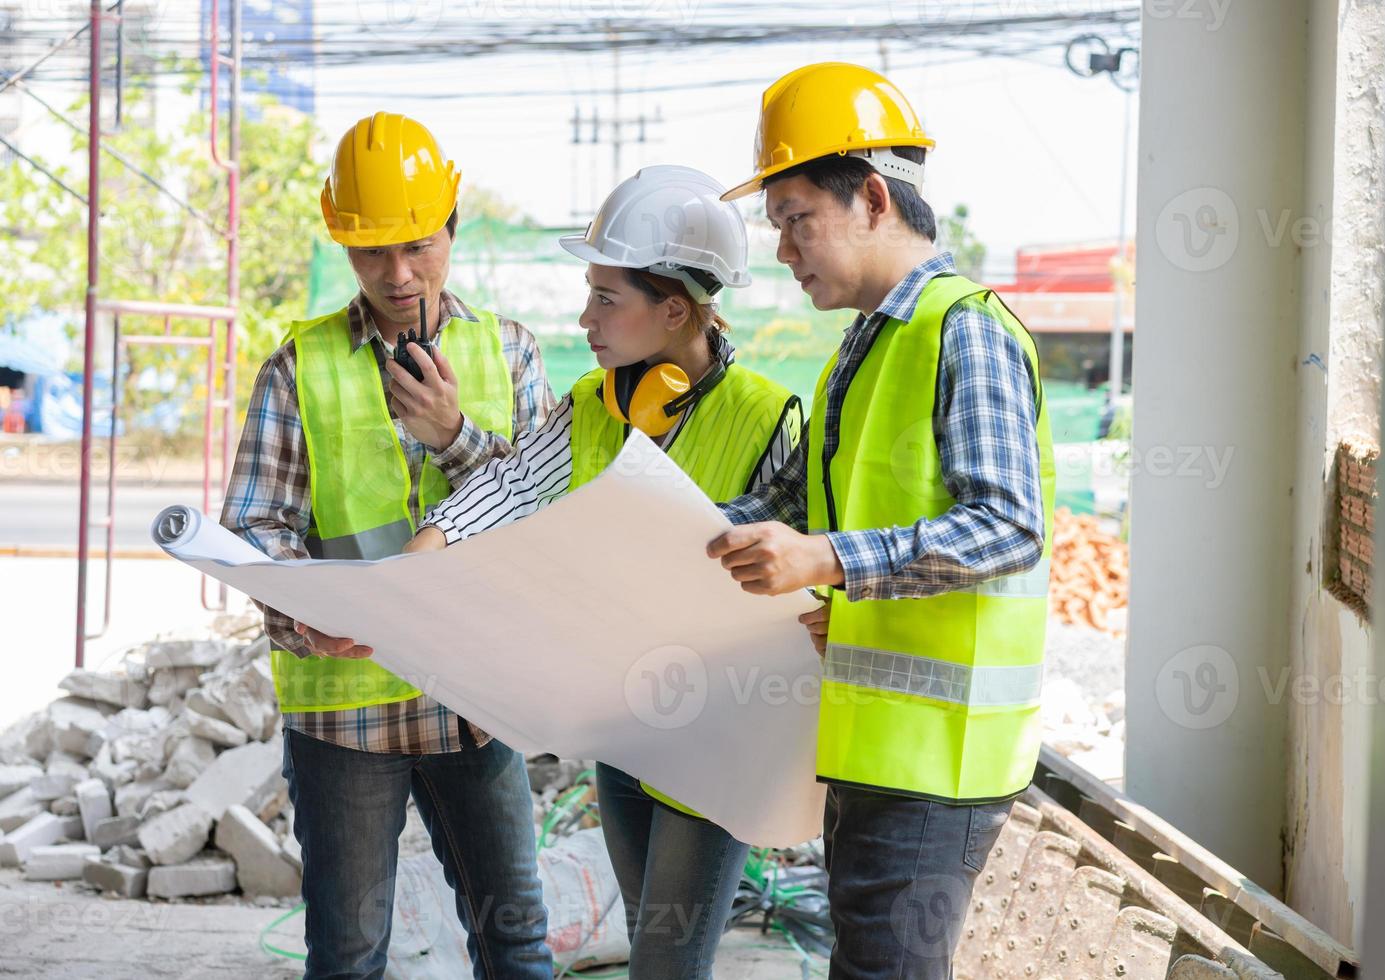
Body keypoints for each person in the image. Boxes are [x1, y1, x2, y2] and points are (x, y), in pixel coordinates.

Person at [406, 164, 807, 980]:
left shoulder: (769, 417)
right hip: (627, 726)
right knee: (651, 948)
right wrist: (416, 565)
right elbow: (510, 486)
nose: (584, 317)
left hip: (721, 738)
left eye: (606, 298)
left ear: (674, 308)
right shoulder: (595, 402)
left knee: (665, 962)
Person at [706, 63, 1056, 979]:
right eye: (776, 225)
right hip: (875, 744)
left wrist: (826, 560)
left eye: (795, 219)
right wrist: (665, 534)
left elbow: (1008, 525)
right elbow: (789, 508)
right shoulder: (859, 348)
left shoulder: (963, 330)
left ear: (870, 197)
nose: (782, 249)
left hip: (941, 763)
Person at [221, 110, 555, 979]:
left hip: (477, 702)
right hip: (346, 713)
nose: (399, 274)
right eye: (373, 252)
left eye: (417, 245)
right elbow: (257, 526)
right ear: (344, 246)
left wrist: (454, 435)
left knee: (517, 944)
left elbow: (549, 513)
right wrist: (307, 617)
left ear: (451, 225)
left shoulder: (510, 354)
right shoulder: (300, 367)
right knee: (347, 956)